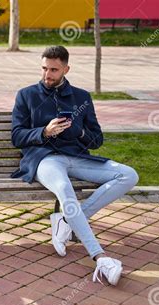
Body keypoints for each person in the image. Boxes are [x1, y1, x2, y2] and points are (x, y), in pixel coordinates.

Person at [11, 46, 138, 286]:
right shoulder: (26, 95)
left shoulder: (81, 97)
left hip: (78, 158)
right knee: (64, 187)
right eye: (44, 68)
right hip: (44, 158)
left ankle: (67, 221)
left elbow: (97, 140)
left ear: (66, 69)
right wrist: (44, 131)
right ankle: (100, 257)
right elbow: (17, 136)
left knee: (128, 175)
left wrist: (78, 130)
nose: (47, 75)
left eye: (54, 70)